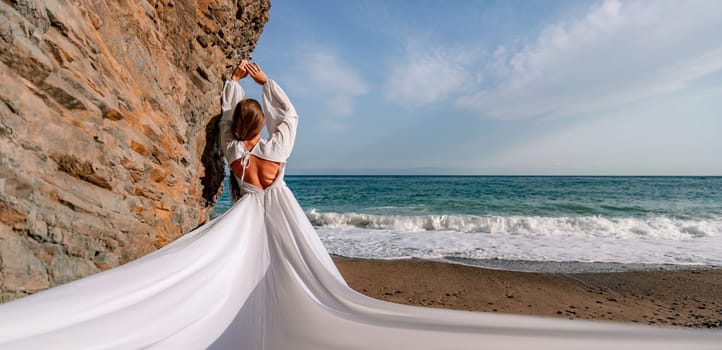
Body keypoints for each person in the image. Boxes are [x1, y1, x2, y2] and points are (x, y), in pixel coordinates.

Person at [0, 62, 718, 349]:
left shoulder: (232, 150)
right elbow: (288, 109)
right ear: (261, 126)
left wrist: (235, 93)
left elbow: (237, 126)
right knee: (307, 287)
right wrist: (259, 77)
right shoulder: (275, 147)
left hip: (244, 219)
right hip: (279, 220)